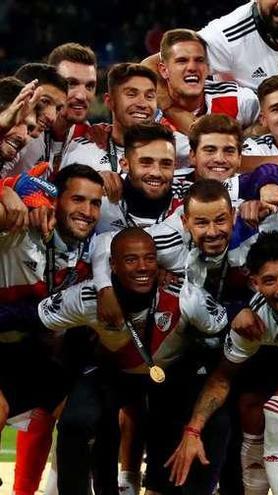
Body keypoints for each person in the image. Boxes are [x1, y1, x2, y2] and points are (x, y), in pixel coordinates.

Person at [36, 227, 229, 495]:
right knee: (75, 422)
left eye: (149, 258)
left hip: (171, 374)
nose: (143, 267)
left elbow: (221, 327)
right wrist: (63, 380)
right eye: (131, 260)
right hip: (113, 373)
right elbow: (40, 321)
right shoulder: (88, 297)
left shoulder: (184, 295)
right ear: (112, 265)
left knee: (216, 419)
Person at [166, 231, 278, 495]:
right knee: (251, 405)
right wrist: (193, 430)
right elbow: (221, 378)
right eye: (269, 280)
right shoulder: (253, 322)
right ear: (255, 283)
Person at [0, 165, 102, 495]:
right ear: (55, 201)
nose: (87, 212)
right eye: (78, 199)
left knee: (84, 418)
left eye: (95, 203)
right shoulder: (18, 228)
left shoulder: (91, 252)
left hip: (38, 355)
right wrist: (9, 187)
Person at [61, 63, 190, 182]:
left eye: (149, 96)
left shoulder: (176, 146)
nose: (142, 104)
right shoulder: (81, 151)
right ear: (109, 101)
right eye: (132, 94)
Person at [11, 44, 98, 176]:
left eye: (90, 86)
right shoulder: (21, 132)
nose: (82, 96)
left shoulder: (88, 134)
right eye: (71, 84)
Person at [156, 28, 261, 132]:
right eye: (182, 61)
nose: (192, 67)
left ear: (207, 68)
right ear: (164, 70)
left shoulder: (239, 100)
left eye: (199, 60)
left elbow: (269, 123)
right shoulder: (149, 111)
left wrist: (243, 141)